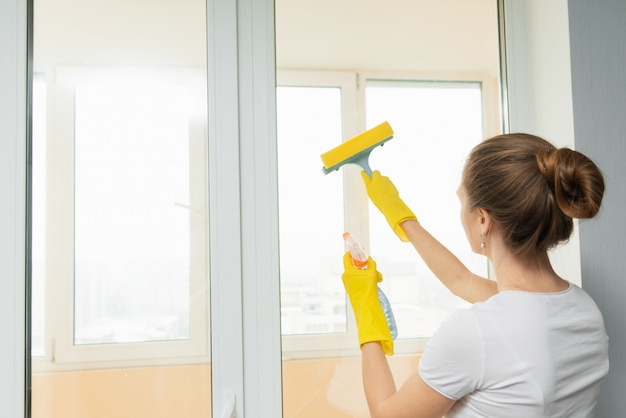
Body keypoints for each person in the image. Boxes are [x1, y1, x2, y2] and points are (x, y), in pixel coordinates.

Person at [341, 133, 609, 418]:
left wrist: (365, 306)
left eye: (462, 201)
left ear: (482, 219)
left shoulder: (476, 333)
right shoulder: (585, 310)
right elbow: (461, 280)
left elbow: (387, 415)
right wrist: (402, 218)